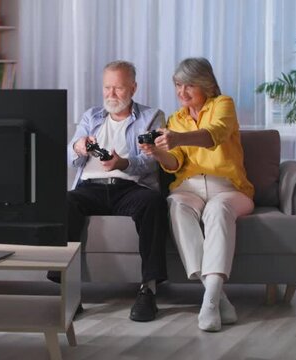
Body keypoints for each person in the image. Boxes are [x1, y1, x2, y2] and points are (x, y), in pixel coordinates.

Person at [140, 57, 254, 331]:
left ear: (207, 84)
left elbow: (214, 134)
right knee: (175, 206)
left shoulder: (223, 104)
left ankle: (210, 304)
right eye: (178, 85)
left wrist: (178, 139)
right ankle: (216, 299)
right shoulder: (175, 119)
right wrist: (158, 153)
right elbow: (175, 163)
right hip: (188, 187)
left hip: (228, 187)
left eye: (189, 85)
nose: (182, 92)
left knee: (218, 210)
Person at [65, 60, 168, 322]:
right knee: (65, 202)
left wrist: (122, 162)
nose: (111, 94)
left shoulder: (152, 116)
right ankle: (68, 290)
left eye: (118, 88)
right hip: (90, 187)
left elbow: (153, 160)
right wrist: (79, 146)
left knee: (153, 203)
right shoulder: (92, 116)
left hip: (130, 186)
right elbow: (70, 156)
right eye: (107, 88)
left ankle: (148, 290)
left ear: (133, 88)